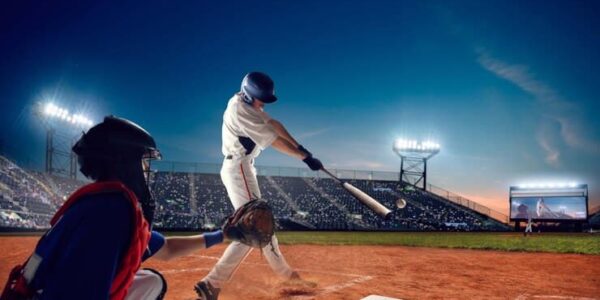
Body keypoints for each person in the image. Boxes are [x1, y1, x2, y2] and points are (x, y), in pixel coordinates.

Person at [1, 116, 226, 300]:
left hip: (38, 292)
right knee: (149, 283)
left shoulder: (106, 203)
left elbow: (167, 248)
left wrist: (222, 235)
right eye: (143, 161)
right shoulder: (111, 211)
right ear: (123, 162)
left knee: (151, 281)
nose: (146, 169)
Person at [195, 72, 322, 299]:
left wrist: (300, 146)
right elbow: (273, 140)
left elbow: (274, 124)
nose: (262, 103)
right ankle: (212, 283)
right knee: (253, 228)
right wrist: (303, 158)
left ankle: (287, 276)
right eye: (260, 98)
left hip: (243, 168)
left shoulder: (247, 103)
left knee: (261, 226)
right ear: (248, 94)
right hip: (239, 168)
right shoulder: (241, 111)